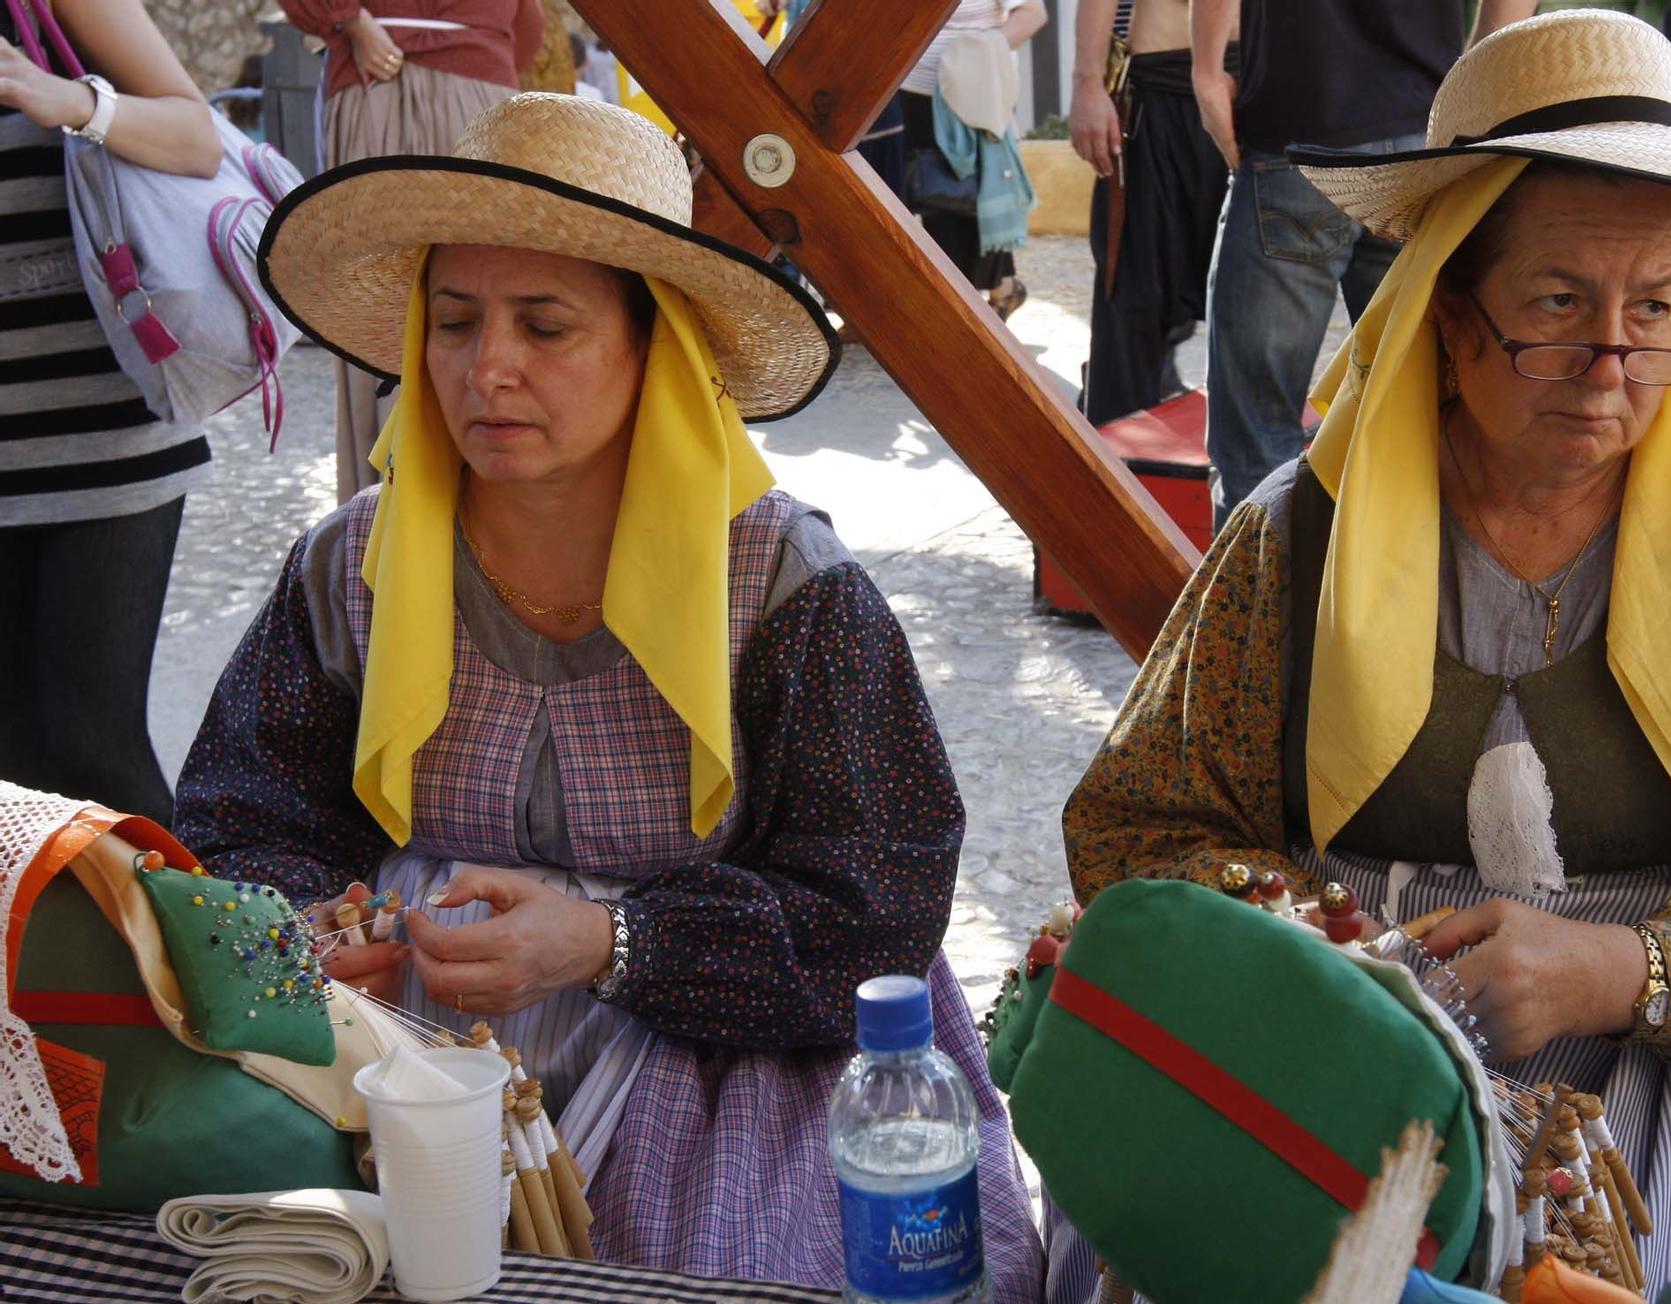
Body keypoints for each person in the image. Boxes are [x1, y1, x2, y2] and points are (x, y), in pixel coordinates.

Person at [1064, 12, 1671, 1302]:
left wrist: (1629, 970)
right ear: (1445, 310)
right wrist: (1343, 948)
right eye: (1555, 304)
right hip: (1353, 1076)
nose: (1609, 367)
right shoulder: (1293, 540)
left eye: (1653, 310)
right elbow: (1132, 839)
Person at [174, 94, 1043, 1293]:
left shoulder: (784, 583)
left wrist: (613, 937)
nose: (489, 369)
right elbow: (235, 815)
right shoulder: (349, 568)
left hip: (722, 1045)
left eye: (546, 325)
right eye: (458, 321)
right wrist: (315, 925)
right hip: (404, 1043)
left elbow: (874, 900)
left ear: (655, 349)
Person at [1192, 0, 1536, 533]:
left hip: (1299, 127)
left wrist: (1207, 71)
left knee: (1258, 434)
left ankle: (1257, 614)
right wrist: (1469, 93)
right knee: (1426, 419)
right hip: (1423, 137)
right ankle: (1403, 608)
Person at [0, 0, 221, 827]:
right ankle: (58, 959)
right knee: (12, 762)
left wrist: (72, 102)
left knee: (90, 740)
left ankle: (215, 955)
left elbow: (196, 138)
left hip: (106, 436)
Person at [277, 0, 543, 505]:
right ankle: (489, 504)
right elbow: (529, 27)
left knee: (380, 306)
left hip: (380, 81)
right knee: (489, 296)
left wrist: (350, 21)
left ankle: (391, 505)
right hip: (475, 95)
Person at [1069, 0, 1233, 425]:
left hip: (1255, 85)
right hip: (1157, 86)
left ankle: (1253, 482)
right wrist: (1087, 85)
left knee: (1251, 313)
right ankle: (1112, 470)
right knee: (1132, 297)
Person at [898, 0, 1047, 321]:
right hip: (913, 91)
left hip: (971, 94)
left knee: (963, 202)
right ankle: (996, 292)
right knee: (934, 198)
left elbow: (1033, 14)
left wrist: (980, 50)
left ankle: (961, 314)